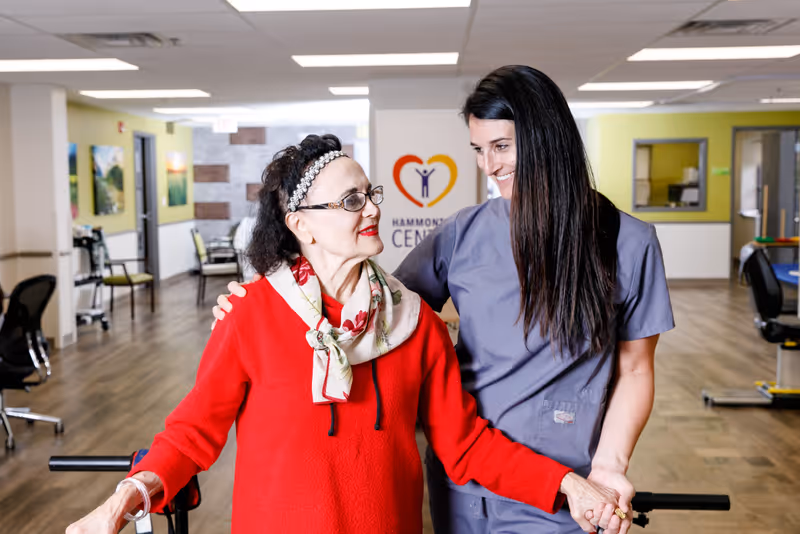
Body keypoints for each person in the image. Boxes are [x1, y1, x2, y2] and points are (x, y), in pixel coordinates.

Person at [66, 134, 624, 534]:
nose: (374, 208)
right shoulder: (251, 314)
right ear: (300, 224)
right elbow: (192, 434)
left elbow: (466, 446)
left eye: (371, 193)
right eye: (352, 201)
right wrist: (130, 495)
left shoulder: (416, 325)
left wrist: (567, 484)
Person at [213, 66, 675, 534]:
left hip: (563, 486)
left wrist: (609, 466)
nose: (488, 166)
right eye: (478, 150)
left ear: (545, 138)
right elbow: (373, 312)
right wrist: (269, 303)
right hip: (464, 480)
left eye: (501, 147)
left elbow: (636, 368)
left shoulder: (626, 243)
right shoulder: (463, 234)